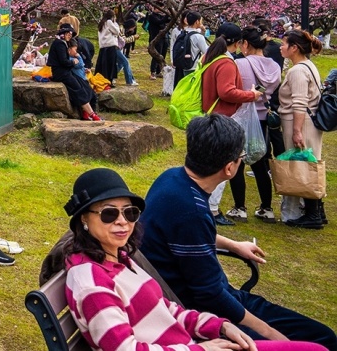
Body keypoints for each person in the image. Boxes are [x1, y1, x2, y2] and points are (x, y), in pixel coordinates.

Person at [63, 167, 325, 351]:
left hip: (192, 342)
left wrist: (220, 327)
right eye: (109, 214)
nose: (122, 221)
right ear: (84, 219)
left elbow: (169, 310)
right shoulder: (93, 282)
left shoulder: (119, 257)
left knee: (316, 347)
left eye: (129, 213)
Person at [140, 114, 337, 349]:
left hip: (209, 298)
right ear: (230, 168)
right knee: (321, 341)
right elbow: (210, 295)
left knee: (321, 334)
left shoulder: (171, 178)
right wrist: (268, 331)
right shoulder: (190, 210)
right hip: (207, 314)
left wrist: (233, 245)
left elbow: (184, 237)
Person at [200, 22, 263, 226]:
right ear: (237, 43)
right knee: (222, 166)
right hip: (224, 118)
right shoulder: (226, 63)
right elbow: (226, 91)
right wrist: (250, 95)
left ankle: (206, 205)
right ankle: (212, 209)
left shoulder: (209, 58)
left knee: (209, 163)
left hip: (210, 115)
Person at [226, 25, 282, 223]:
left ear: (246, 44)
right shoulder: (275, 67)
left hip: (241, 117)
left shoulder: (239, 64)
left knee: (237, 161)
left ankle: (239, 207)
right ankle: (266, 207)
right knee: (260, 162)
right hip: (263, 118)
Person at [277, 30, 326, 229]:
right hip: (308, 120)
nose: (280, 47)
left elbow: (299, 102)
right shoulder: (308, 66)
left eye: (284, 43)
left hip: (300, 121)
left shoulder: (297, 71)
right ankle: (316, 210)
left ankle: (313, 213)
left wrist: (296, 130)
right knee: (309, 162)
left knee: (303, 164)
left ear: (294, 48)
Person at [47, 25, 100, 122]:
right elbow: (63, 61)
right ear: (63, 34)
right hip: (61, 73)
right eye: (68, 34)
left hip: (65, 72)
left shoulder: (62, 43)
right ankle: (91, 114)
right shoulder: (59, 44)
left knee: (82, 86)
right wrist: (73, 62)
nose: (69, 36)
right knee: (77, 88)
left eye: (70, 34)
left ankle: (87, 113)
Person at [173, 11, 208, 87]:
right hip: (193, 66)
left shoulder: (183, 32)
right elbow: (206, 51)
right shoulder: (198, 37)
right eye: (200, 20)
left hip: (182, 64)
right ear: (197, 22)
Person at [143, 3, 171, 80]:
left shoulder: (160, 15)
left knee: (163, 54)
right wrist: (167, 15)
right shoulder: (152, 16)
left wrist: (170, 16)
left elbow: (166, 20)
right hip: (156, 38)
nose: (162, 10)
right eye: (161, 8)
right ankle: (153, 72)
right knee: (156, 55)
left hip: (164, 37)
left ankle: (159, 71)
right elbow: (160, 22)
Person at [96, 9, 121, 83]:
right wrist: (115, 23)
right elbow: (117, 31)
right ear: (112, 16)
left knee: (103, 65)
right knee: (111, 64)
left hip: (103, 46)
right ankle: (109, 80)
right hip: (110, 46)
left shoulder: (102, 23)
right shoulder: (109, 22)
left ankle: (102, 79)